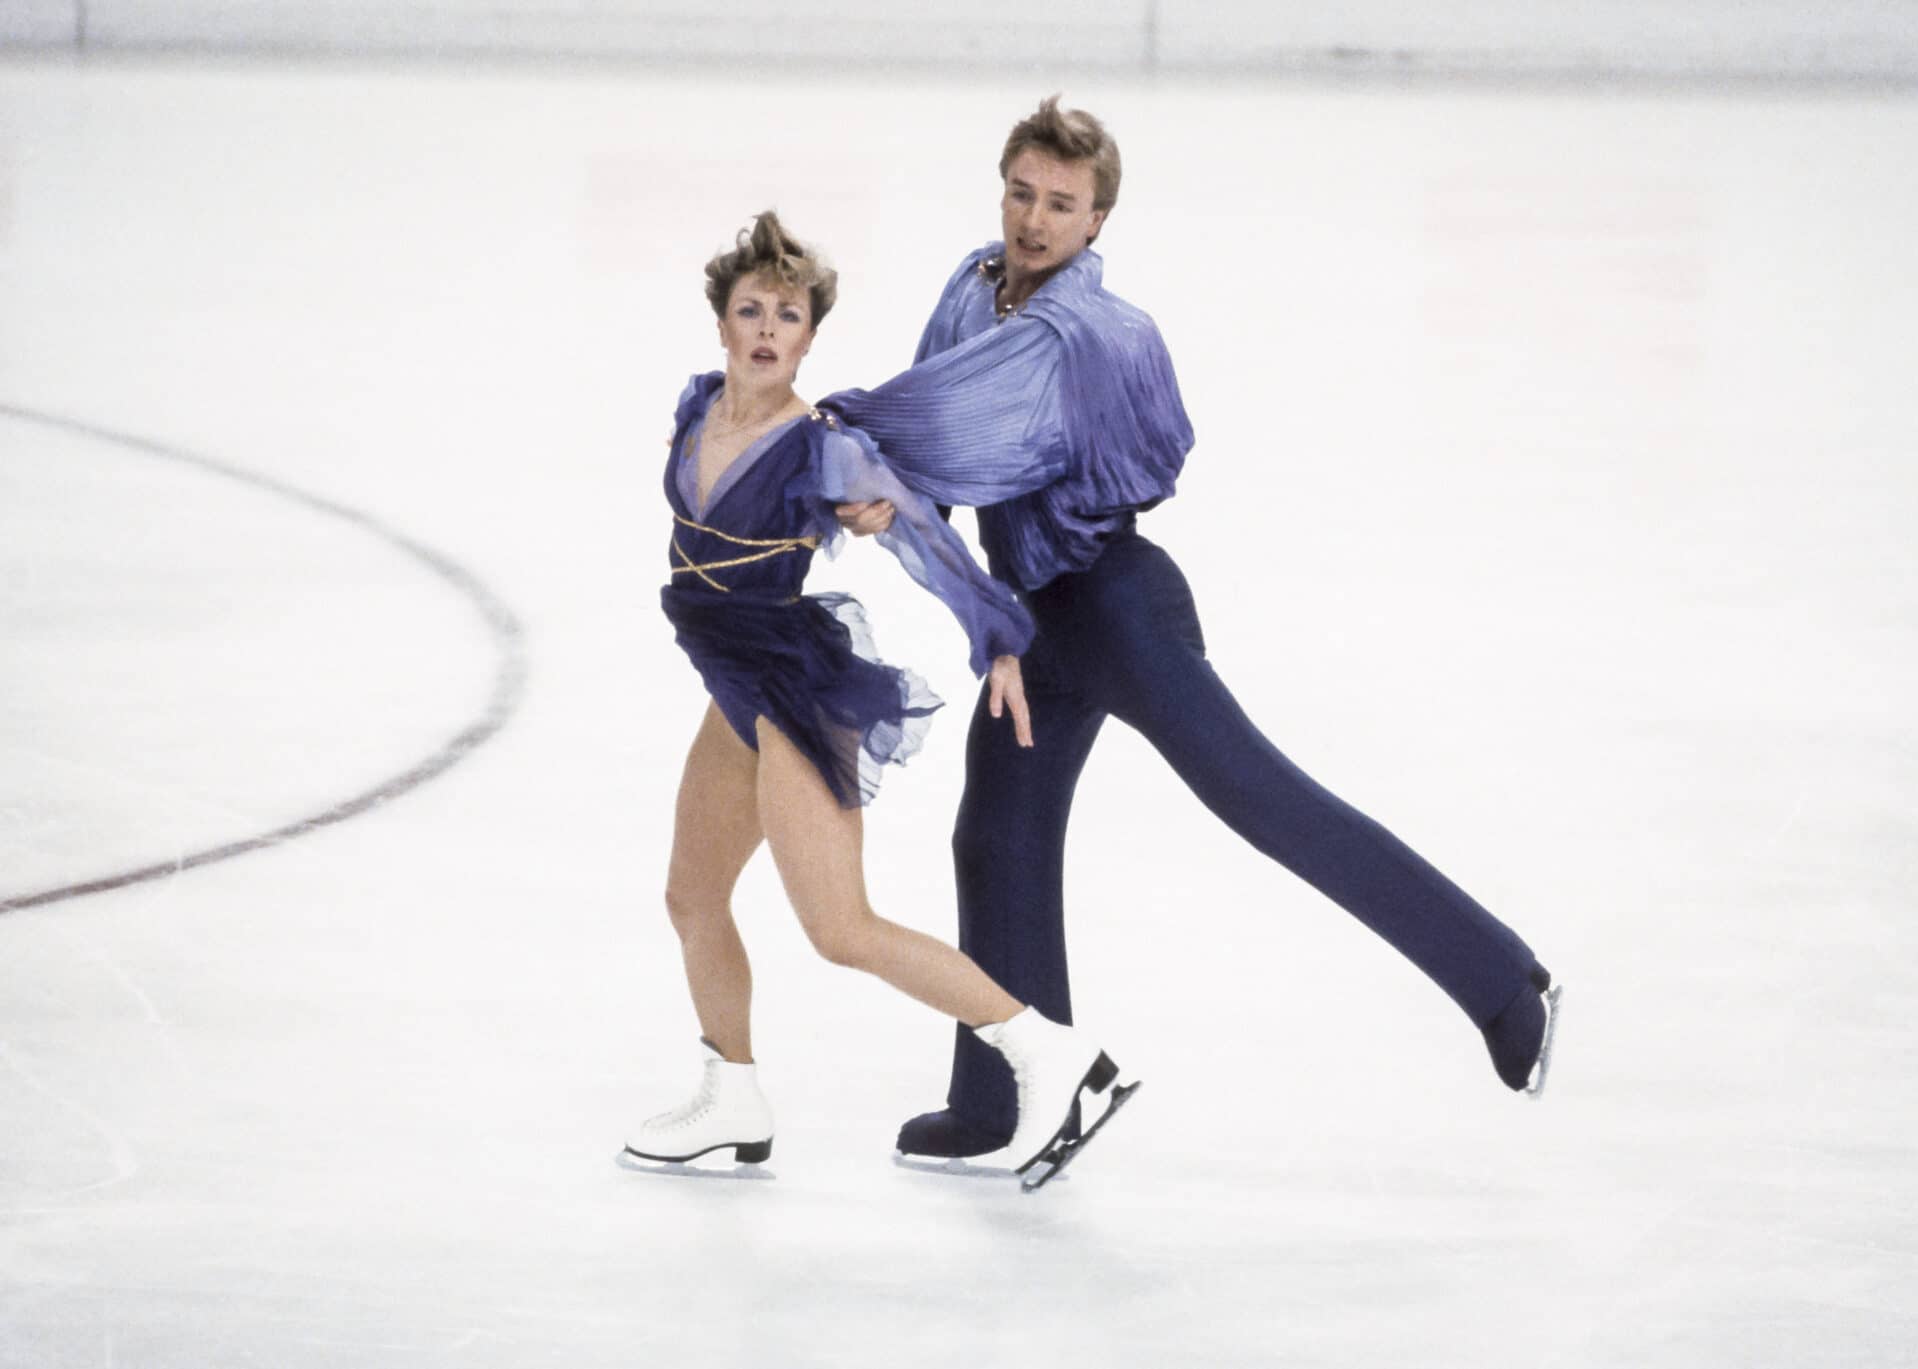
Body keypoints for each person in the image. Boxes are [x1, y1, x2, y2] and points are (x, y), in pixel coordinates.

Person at [826, 98, 1562, 1164]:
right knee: (995, 837)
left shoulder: (1090, 335)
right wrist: (892, 497)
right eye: (1022, 194)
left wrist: (861, 457)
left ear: (1096, 220)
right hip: (1033, 624)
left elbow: (940, 433)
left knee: (1263, 800)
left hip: (1114, 605)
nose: (1034, 219)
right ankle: (1006, 1099)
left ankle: (1502, 983)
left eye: (1061, 204)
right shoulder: (970, 288)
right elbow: (924, 424)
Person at [624, 211, 1135, 1187]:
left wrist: (996, 635)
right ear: (722, 323)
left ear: (810, 337)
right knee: (692, 894)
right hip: (731, 683)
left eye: (788, 315)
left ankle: (1056, 1058)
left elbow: (923, 539)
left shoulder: (821, 449)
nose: (767, 329)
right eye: (751, 310)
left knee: (841, 928)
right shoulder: (699, 408)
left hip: (794, 688)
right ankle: (731, 1095)